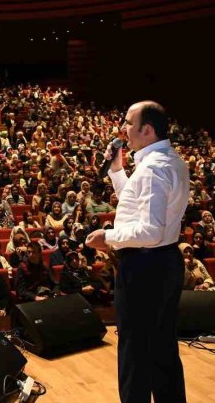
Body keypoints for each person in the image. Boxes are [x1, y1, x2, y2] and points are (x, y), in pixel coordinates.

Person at [85, 101, 189, 403]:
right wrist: (117, 170)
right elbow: (137, 204)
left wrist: (110, 237)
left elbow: (150, 230)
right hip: (164, 262)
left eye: (129, 123)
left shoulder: (154, 169)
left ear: (147, 129)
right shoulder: (168, 160)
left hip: (145, 267)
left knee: (134, 354)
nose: (123, 130)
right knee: (162, 350)